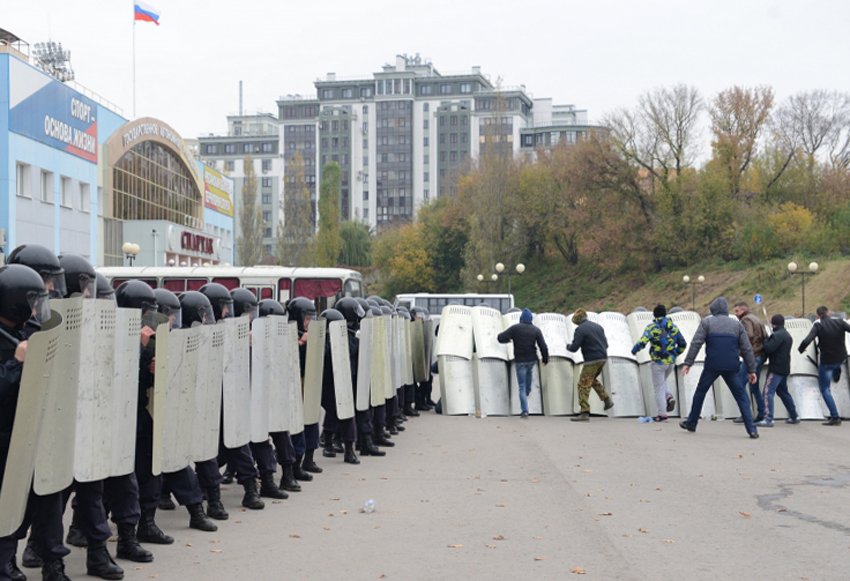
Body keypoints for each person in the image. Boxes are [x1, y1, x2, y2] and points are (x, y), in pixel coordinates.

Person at [0, 264, 54, 581]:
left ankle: (11, 558)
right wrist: (17, 363)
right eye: (32, 300)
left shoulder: (25, 332)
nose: (36, 308)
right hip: (4, 434)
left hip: (24, 431)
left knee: (27, 501)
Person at [679, 297, 759, 439]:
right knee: (741, 396)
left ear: (713, 309)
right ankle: (752, 430)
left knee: (700, 392)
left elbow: (696, 343)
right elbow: (747, 348)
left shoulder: (707, 322)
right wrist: (752, 370)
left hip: (712, 366)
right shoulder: (737, 325)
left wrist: (688, 363)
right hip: (732, 366)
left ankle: (691, 423)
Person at [631, 305, 686, 422]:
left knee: (658, 388)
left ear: (654, 315)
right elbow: (683, 344)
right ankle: (668, 396)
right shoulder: (674, 327)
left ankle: (662, 414)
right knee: (662, 382)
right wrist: (675, 354)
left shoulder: (652, 327)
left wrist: (634, 350)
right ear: (665, 314)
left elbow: (643, 341)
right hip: (670, 363)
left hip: (658, 362)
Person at [797, 305, 850, 426]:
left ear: (818, 316)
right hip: (841, 357)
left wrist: (801, 349)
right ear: (829, 312)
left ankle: (835, 416)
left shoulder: (818, 325)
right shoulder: (840, 322)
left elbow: (807, 340)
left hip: (827, 361)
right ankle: (837, 372)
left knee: (825, 389)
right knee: (838, 365)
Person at [497, 308, 549, 418]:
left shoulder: (515, 328)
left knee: (521, 386)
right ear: (531, 319)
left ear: (521, 318)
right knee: (528, 378)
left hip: (520, 360)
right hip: (531, 360)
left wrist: (509, 339)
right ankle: (528, 390)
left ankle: (525, 411)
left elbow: (500, 338)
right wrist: (545, 359)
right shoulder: (536, 330)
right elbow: (543, 346)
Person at [567, 309, 613, 421]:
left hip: (592, 360)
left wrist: (567, 346)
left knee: (582, 385)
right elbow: (606, 344)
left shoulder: (580, 330)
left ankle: (584, 412)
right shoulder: (598, 327)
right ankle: (606, 399)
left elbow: (574, 348)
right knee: (591, 380)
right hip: (603, 358)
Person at [759, 315, 799, 427]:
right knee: (782, 392)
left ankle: (768, 418)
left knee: (767, 392)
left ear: (773, 324)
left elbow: (768, 348)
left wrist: (766, 340)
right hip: (785, 368)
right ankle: (794, 415)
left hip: (775, 368)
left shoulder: (776, 336)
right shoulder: (787, 335)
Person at [733, 302, 767, 424]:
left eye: (737, 311)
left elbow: (748, 335)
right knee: (754, 386)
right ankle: (762, 412)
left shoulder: (745, 320)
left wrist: (738, 346)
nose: (735, 314)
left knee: (740, 385)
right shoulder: (756, 318)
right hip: (760, 354)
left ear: (743, 310)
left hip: (751, 356)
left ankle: (745, 414)